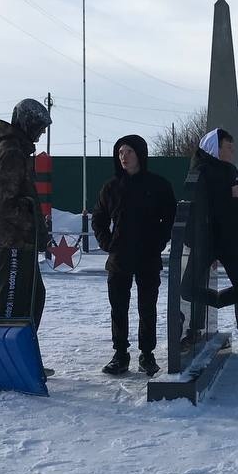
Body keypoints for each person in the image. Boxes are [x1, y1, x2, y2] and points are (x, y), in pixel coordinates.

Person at [91, 135, 177, 377]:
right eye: (120, 152)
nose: (124, 156)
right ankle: (120, 354)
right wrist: (107, 243)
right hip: (119, 258)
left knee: (146, 307)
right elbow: (98, 218)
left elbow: (169, 217)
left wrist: (159, 242)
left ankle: (147, 354)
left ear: (140, 154)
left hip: (148, 257)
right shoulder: (110, 187)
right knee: (118, 307)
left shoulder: (158, 185)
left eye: (129, 151)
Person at [0, 97, 53, 375]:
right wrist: (29, 222)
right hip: (11, 240)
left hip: (21, 240)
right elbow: (3, 201)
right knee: (12, 302)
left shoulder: (18, 151)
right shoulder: (11, 151)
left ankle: (21, 357)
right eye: (39, 126)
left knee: (34, 297)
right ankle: (5, 362)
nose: (42, 132)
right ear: (26, 123)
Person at [190, 127, 238, 352]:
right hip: (208, 239)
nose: (233, 151)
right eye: (229, 147)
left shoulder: (230, 169)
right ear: (216, 148)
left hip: (233, 238)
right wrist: (228, 193)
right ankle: (194, 330)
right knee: (192, 286)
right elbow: (201, 203)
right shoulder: (200, 171)